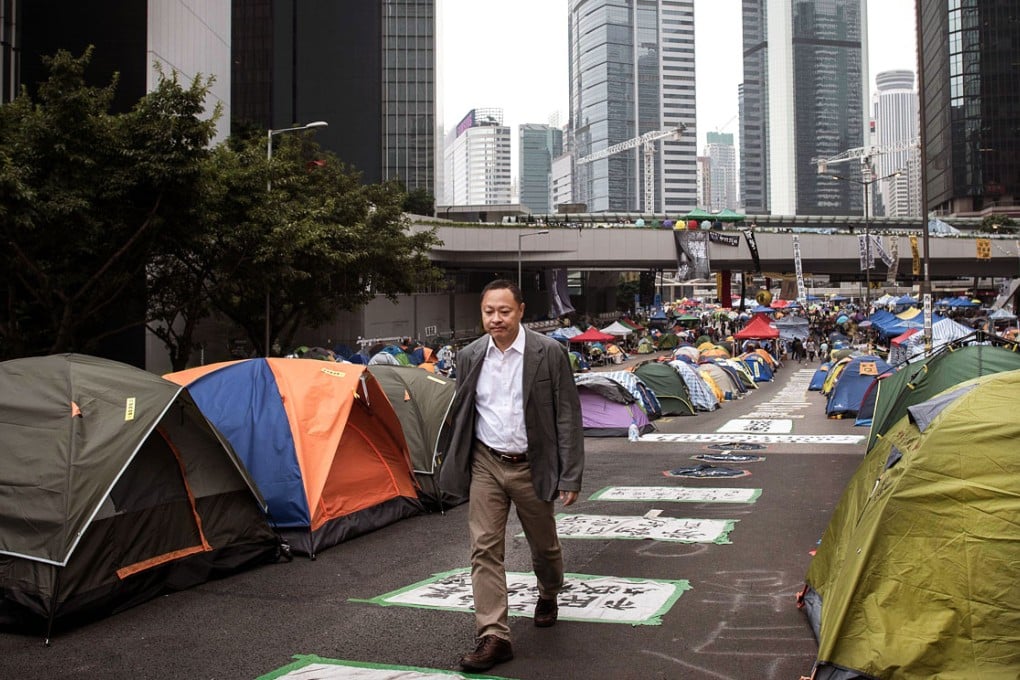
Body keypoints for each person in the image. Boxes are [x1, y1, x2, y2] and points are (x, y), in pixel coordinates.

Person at [439, 279, 585, 673]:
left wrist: (570, 475)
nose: (496, 319)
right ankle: (494, 636)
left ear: (521, 311)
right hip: (486, 462)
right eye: (489, 312)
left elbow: (568, 415)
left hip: (532, 465)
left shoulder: (549, 353)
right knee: (484, 548)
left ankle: (549, 591)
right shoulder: (470, 355)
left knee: (545, 547)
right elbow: (463, 410)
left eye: (504, 311)